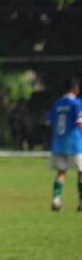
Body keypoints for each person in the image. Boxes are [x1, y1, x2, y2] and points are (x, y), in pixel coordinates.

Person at [44, 76, 82, 212]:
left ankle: (56, 200)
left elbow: (48, 123)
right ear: (76, 89)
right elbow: (80, 122)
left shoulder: (57, 104)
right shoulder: (77, 103)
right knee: (81, 172)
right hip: (74, 143)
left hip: (58, 143)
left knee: (61, 172)